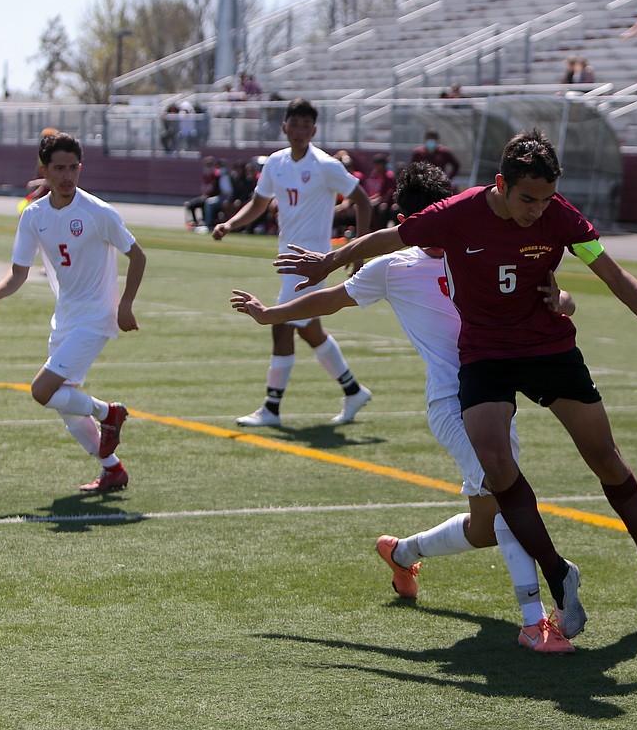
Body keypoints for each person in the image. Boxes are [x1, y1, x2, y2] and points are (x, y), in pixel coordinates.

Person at [276, 129, 637, 640]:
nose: (536, 210)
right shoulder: (458, 213)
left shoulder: (560, 216)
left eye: (545, 199)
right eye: (527, 199)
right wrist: (326, 261)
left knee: (603, 457)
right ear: (501, 184)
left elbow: (609, 272)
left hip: (547, 349)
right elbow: (390, 238)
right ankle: (556, 577)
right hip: (485, 356)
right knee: (498, 470)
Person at [231, 163, 577, 652]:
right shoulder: (393, 267)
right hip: (452, 401)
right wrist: (270, 313)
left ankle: (403, 552)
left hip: (497, 394)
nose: (439, 233)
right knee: (509, 500)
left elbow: (542, 291)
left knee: (485, 527)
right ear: (406, 222)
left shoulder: (479, 245)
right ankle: (533, 620)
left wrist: (562, 300)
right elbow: (330, 300)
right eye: (425, 223)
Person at [0, 131, 147, 493]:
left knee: (42, 390)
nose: (67, 176)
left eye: (73, 168)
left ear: (80, 168)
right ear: (44, 170)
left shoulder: (98, 212)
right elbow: (19, 272)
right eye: (59, 168)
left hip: (97, 317)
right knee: (66, 406)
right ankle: (112, 469)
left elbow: (138, 256)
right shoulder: (34, 215)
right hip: (65, 317)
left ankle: (108, 413)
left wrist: (126, 304)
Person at [212, 98, 374, 427]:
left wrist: (356, 251)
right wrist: (231, 224)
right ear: (284, 126)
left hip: (312, 264)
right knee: (310, 330)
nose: (299, 131)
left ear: (314, 131)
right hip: (286, 260)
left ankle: (272, 408)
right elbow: (259, 204)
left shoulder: (325, 165)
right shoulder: (275, 163)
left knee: (280, 324)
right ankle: (353, 390)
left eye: (306, 126)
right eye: (294, 124)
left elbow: (362, 202)